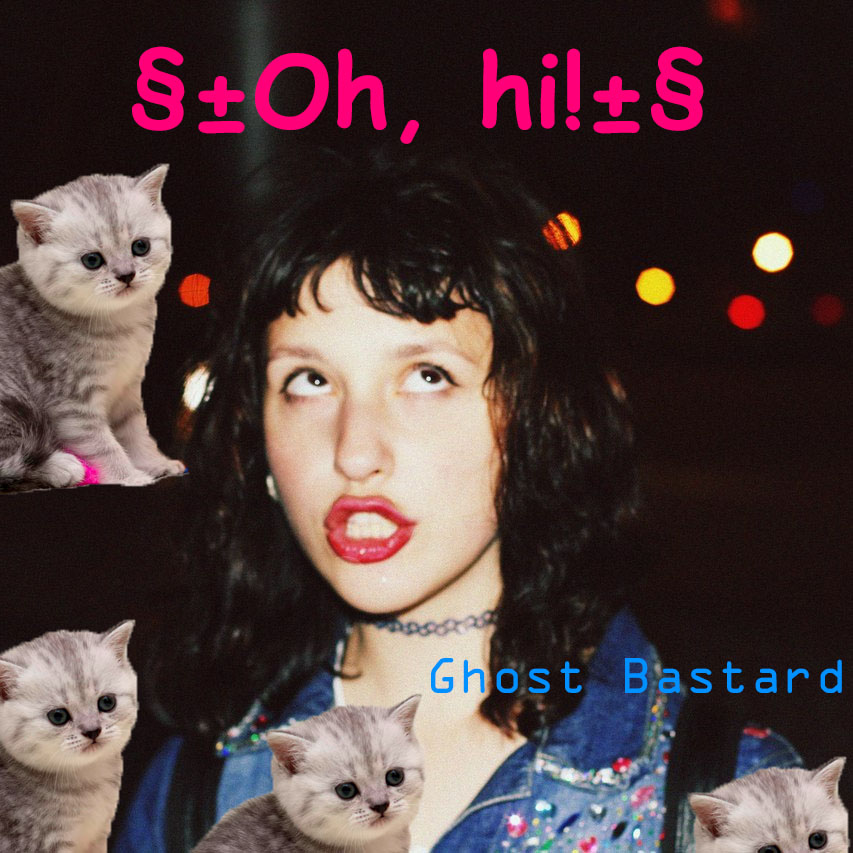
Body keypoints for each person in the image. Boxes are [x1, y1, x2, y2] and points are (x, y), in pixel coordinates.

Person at [116, 148, 799, 852]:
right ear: (258, 442)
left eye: (427, 375)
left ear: (536, 419)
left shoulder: (724, 802)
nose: (355, 451)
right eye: (309, 381)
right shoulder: (191, 796)